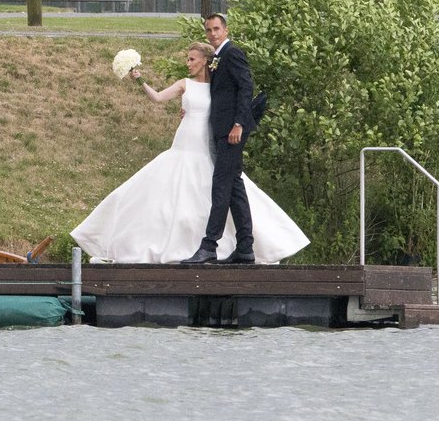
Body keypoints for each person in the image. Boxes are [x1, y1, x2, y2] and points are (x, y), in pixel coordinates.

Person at [70, 41, 308, 264]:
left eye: (192, 59)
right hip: (184, 143)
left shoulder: (217, 86)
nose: (188, 63)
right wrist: (139, 80)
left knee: (218, 190)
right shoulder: (185, 83)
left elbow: (233, 98)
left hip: (206, 145)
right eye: (187, 59)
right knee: (163, 194)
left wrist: (239, 123)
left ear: (204, 61)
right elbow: (158, 97)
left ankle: (240, 245)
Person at [185, 13, 256, 264]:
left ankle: (209, 245)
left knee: (221, 185)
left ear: (225, 30)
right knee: (234, 186)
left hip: (232, 131)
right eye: (208, 30)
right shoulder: (217, 57)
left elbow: (246, 87)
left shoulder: (233, 53)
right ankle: (246, 247)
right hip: (222, 129)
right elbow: (218, 94)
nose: (213, 34)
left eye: (216, 29)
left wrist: (238, 123)